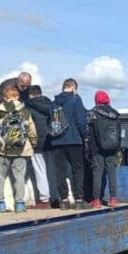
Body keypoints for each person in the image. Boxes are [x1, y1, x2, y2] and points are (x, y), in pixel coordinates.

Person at [0, 82, 37, 212]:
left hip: (2, 149)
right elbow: (31, 130)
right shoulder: (25, 112)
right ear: (17, 97)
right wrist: (32, 143)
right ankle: (20, 204)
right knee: (19, 177)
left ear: (5, 98)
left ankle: (0, 204)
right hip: (21, 149)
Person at [51, 78, 88, 209]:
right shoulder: (76, 99)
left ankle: (64, 200)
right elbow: (81, 122)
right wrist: (85, 137)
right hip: (74, 140)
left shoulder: (54, 102)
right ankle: (79, 200)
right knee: (77, 170)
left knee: (60, 171)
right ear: (73, 88)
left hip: (57, 141)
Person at [86, 90, 121, 208]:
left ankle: (96, 200)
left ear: (96, 100)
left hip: (97, 149)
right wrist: (116, 149)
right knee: (111, 172)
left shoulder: (92, 113)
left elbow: (89, 133)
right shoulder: (115, 115)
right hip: (112, 148)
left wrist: (88, 149)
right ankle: (113, 199)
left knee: (97, 173)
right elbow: (119, 134)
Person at [26, 84, 54, 208]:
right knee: (52, 171)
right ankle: (56, 197)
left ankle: (44, 199)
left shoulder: (28, 107)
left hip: (37, 143)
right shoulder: (51, 105)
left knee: (40, 171)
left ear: (31, 95)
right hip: (52, 141)